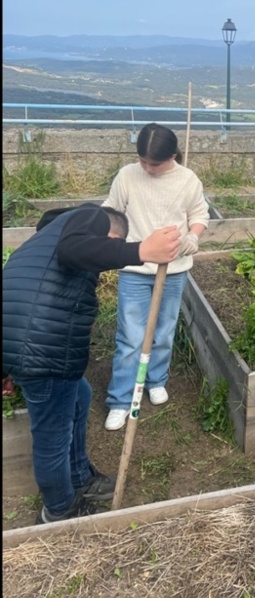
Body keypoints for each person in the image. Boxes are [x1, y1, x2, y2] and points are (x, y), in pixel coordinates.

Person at [2, 204, 181, 523]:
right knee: (52, 437)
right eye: (110, 244)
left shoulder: (40, 245)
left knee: (80, 396)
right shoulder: (91, 218)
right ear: (110, 234)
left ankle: (79, 477)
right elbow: (77, 250)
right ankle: (59, 511)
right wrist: (140, 250)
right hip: (46, 353)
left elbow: (16, 301)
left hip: (28, 349)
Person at [101, 123, 211, 431]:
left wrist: (193, 235)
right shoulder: (127, 175)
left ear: (173, 155)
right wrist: (112, 239)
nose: (147, 168)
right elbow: (111, 211)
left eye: (155, 163)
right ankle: (121, 399)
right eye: (143, 161)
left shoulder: (187, 180)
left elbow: (200, 215)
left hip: (173, 270)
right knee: (130, 337)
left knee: (163, 331)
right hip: (135, 269)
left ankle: (156, 380)